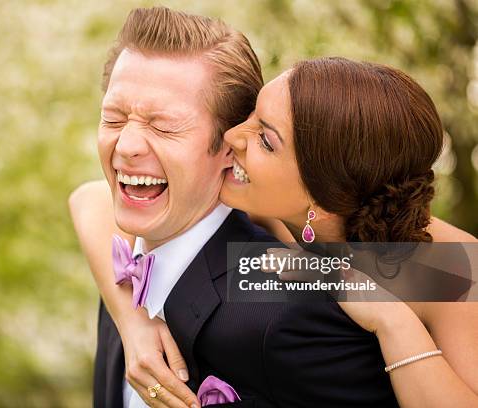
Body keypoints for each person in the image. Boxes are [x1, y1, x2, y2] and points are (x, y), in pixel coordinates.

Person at [70, 7, 478, 408]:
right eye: (251, 117)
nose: (231, 137)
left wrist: (389, 318)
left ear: (321, 193)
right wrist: (133, 320)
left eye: (266, 139)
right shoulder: (269, 218)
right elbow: (90, 200)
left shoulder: (446, 270)